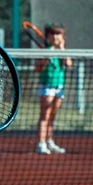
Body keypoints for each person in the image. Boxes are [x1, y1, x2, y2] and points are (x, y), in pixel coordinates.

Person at [35, 23, 73, 154]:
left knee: (52, 116)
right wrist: (46, 58)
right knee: (45, 116)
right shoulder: (43, 50)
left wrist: (62, 49)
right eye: (53, 34)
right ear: (48, 36)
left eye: (58, 34)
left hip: (59, 86)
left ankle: (49, 141)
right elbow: (37, 69)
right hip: (47, 86)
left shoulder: (62, 51)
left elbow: (69, 64)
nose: (56, 37)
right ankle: (41, 143)